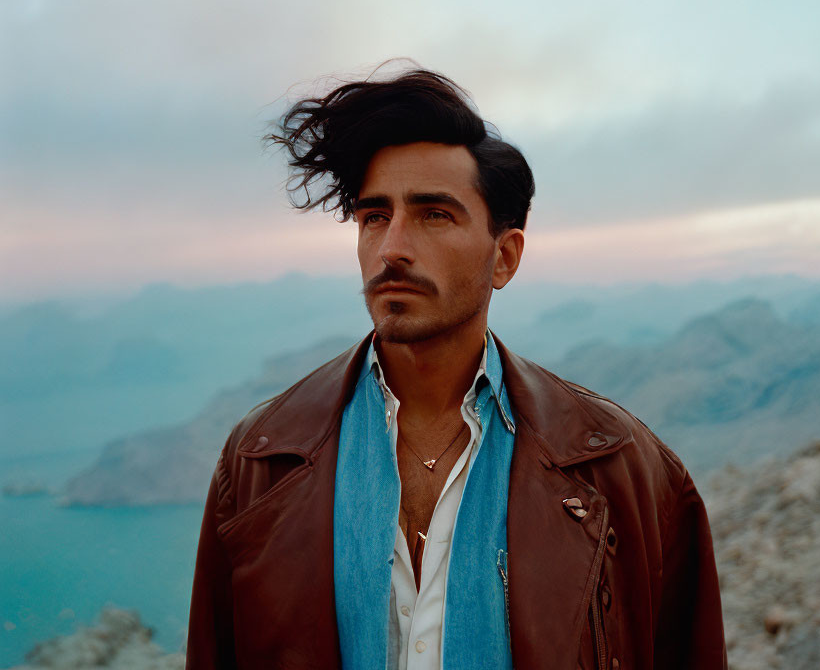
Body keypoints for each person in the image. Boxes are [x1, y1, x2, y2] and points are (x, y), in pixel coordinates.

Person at [186, 66, 727, 670]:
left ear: (505, 256)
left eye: (433, 214)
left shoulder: (624, 469)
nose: (392, 247)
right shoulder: (261, 460)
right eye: (374, 216)